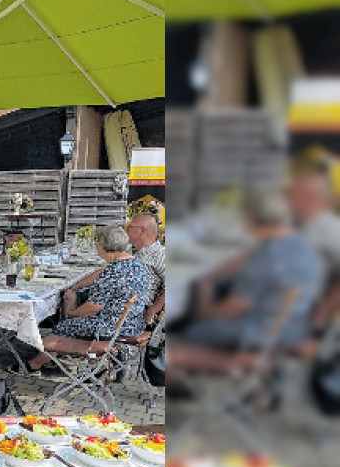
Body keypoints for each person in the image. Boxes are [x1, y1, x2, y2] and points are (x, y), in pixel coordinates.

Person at [170, 192, 323, 372]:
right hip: (295, 326)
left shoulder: (266, 258)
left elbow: (235, 307)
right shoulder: (300, 244)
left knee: (192, 331)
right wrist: (214, 274)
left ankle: (240, 363)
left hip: (263, 333)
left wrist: (204, 309)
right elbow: (247, 257)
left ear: (249, 219)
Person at [15, 226, 149, 374]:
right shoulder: (135, 264)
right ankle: (95, 363)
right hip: (133, 323)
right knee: (72, 312)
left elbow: (93, 307)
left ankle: (37, 364)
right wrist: (75, 287)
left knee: (63, 326)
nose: (95, 247)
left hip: (112, 328)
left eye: (96, 243)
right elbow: (100, 273)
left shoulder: (112, 273)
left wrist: (72, 313)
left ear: (103, 246)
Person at [285, 156, 340, 330]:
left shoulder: (327, 229)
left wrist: (322, 312)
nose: (286, 201)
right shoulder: (305, 225)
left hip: (296, 312)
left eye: (291, 194)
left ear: (307, 197)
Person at [126, 213, 165, 326]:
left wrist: (153, 310)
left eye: (130, 227)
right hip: (118, 304)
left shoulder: (159, 254)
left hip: (132, 312)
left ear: (141, 231)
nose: (126, 230)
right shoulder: (129, 250)